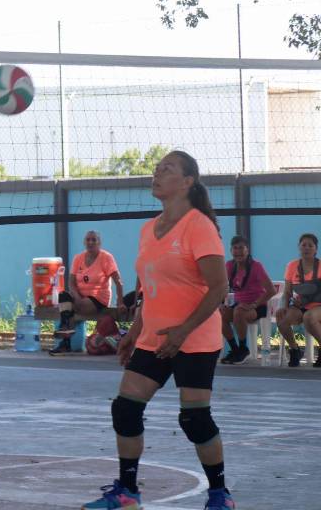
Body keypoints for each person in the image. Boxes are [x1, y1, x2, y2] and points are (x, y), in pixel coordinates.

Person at [81, 151, 235, 510]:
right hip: (155, 338)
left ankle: (219, 495)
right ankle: (127, 493)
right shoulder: (148, 229)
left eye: (167, 169)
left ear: (187, 182)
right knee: (125, 409)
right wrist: (135, 331)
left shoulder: (198, 226)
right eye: (156, 169)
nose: (157, 173)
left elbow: (218, 287)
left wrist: (182, 331)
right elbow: (150, 291)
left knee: (194, 418)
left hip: (194, 338)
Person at [49, 230, 126, 355]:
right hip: (79, 298)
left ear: (99, 242)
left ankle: (65, 336)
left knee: (69, 310)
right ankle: (66, 332)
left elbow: (118, 281)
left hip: (98, 298)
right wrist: (77, 296)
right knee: (63, 296)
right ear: (84, 242)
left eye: (93, 240)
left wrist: (120, 302)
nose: (90, 242)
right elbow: (71, 283)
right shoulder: (78, 258)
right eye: (88, 239)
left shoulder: (106, 258)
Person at [219, 235, 276, 365]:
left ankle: (243, 349)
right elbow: (222, 287)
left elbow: (271, 290)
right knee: (220, 314)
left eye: (241, 248)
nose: (238, 251)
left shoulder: (256, 266)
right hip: (239, 305)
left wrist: (254, 304)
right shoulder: (229, 265)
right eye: (235, 248)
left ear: (247, 250)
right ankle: (235, 350)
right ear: (231, 251)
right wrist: (221, 303)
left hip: (257, 306)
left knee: (239, 311)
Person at [275, 233, 321, 368]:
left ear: (316, 249)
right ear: (299, 247)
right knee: (282, 318)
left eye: (310, 245)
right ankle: (295, 350)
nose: (306, 248)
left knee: (308, 317)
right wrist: (283, 306)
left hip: (318, 306)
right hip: (299, 306)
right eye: (304, 245)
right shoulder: (292, 265)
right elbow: (287, 292)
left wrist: (309, 299)